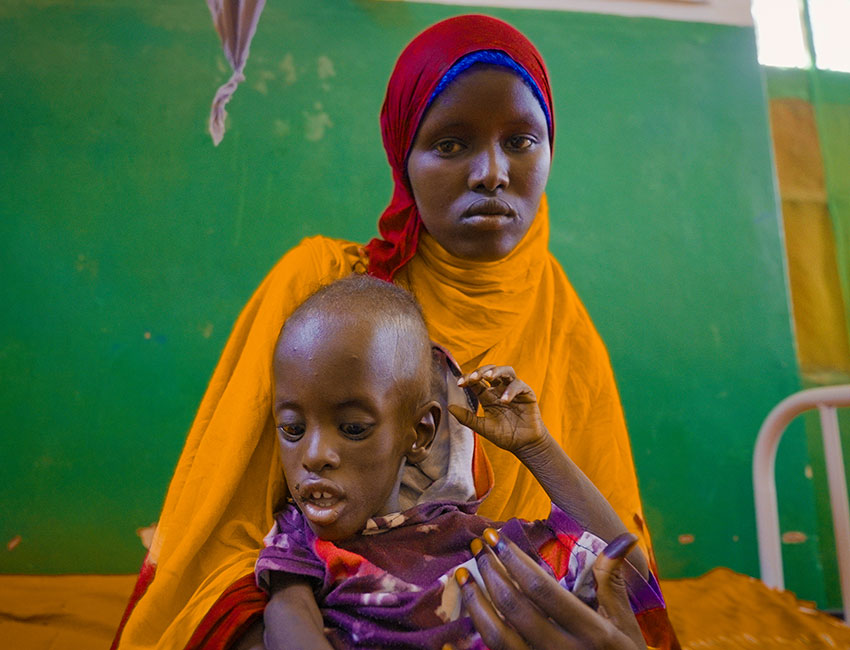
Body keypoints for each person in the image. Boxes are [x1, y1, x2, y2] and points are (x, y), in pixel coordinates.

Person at [113, 14, 677, 650]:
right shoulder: (328, 294)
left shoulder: (564, 325)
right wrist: (292, 611)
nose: (492, 172)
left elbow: (616, 575)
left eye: (521, 141)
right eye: (451, 144)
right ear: (402, 159)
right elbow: (226, 537)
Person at [258, 274, 662, 650]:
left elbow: (624, 575)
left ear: (418, 434)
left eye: (353, 428)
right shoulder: (299, 540)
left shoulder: (466, 538)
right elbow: (286, 612)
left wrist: (537, 447)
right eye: (293, 430)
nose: (314, 456)